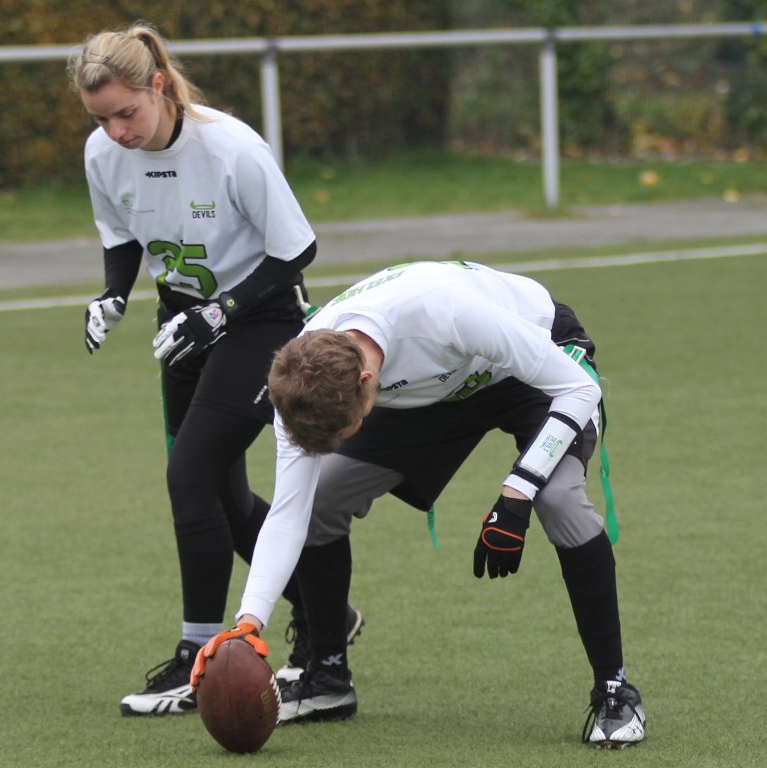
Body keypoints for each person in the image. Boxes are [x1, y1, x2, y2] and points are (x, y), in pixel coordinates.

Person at [193, 260, 646, 747]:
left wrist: (518, 492)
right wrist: (248, 624)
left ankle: (615, 690)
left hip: (534, 368)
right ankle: (328, 675)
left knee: (558, 500)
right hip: (436, 387)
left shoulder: (446, 312)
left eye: (344, 431)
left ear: (367, 381)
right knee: (323, 495)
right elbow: (289, 513)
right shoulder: (301, 378)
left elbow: (579, 388)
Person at [69, 22, 362, 716]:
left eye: (126, 113)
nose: (115, 131)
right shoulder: (102, 154)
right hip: (183, 326)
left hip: (262, 321)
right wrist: (113, 294)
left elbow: (296, 250)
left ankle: (194, 657)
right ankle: (326, 613)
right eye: (101, 119)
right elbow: (122, 236)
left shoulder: (231, 147)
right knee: (222, 499)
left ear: (159, 86)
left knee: (189, 477)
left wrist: (222, 311)